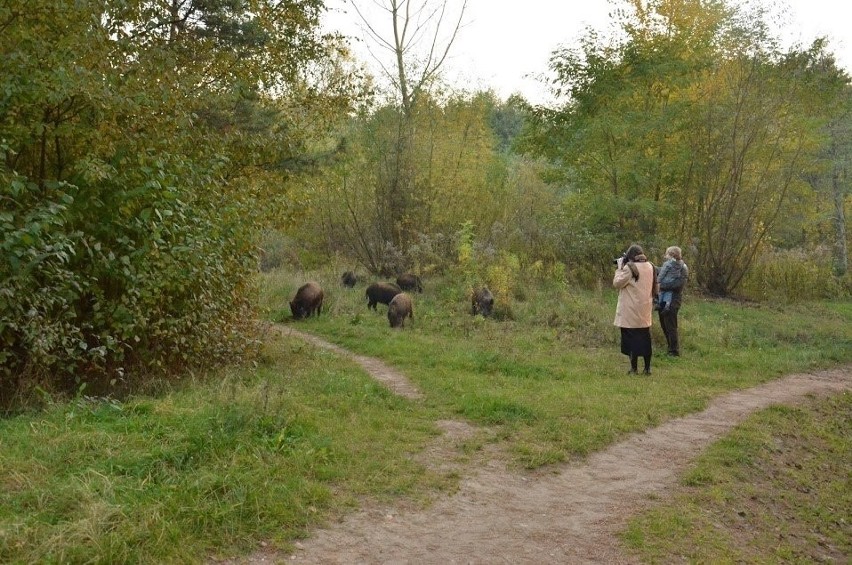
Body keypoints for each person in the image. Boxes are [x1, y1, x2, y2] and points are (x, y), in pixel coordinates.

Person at [613, 244, 656, 375]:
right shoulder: (650, 266)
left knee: (630, 339)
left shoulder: (629, 268)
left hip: (630, 310)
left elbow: (617, 283)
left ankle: (634, 368)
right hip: (644, 308)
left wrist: (619, 268)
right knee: (644, 338)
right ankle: (647, 368)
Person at [657, 246, 689, 357]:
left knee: (671, 324)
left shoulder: (683, 268)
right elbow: (660, 271)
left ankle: (674, 350)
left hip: (674, 299)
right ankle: (669, 346)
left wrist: (661, 286)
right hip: (663, 297)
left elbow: (678, 285)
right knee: (663, 323)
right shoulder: (668, 266)